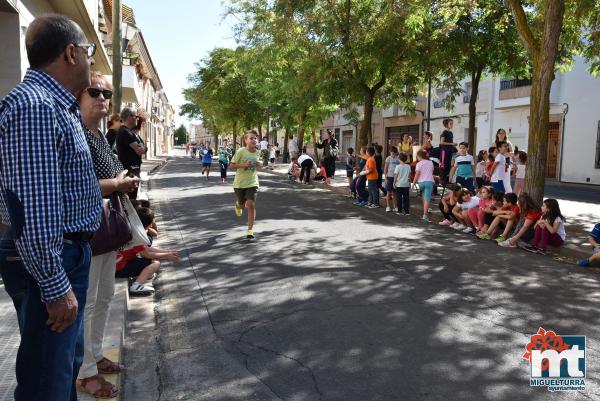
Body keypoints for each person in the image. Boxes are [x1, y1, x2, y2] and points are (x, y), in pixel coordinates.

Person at [0, 14, 103, 401]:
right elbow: (33, 208)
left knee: (61, 371)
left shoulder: (56, 106)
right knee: (47, 383)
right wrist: (55, 286)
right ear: (71, 53)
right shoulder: (37, 108)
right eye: (89, 52)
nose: (92, 61)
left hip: (63, 254)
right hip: (51, 257)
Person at [76, 71, 139, 398]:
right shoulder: (77, 134)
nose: (102, 97)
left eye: (107, 94)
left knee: (104, 297)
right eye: (94, 91)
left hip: (105, 226)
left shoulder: (100, 136)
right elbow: (79, 185)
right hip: (86, 229)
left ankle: (96, 355)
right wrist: (118, 183)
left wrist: (121, 179)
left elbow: (112, 170)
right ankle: (85, 373)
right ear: (79, 95)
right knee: (88, 302)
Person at [115, 207, 179, 294]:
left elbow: (146, 248)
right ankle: (136, 286)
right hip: (118, 269)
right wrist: (166, 256)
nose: (152, 224)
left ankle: (141, 276)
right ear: (148, 224)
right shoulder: (139, 236)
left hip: (116, 265)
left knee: (148, 264)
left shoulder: (134, 229)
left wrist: (167, 252)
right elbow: (147, 254)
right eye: (152, 222)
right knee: (155, 263)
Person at [230, 130, 261, 239]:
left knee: (251, 205)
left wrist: (259, 164)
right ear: (246, 140)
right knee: (242, 205)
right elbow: (232, 166)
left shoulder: (258, 152)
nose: (254, 140)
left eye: (255, 138)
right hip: (239, 184)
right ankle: (238, 205)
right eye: (251, 138)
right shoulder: (241, 151)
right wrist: (244, 165)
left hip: (252, 182)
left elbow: (257, 166)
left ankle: (250, 230)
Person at [117, 107, 147, 199]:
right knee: (130, 199)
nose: (137, 119)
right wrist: (143, 148)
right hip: (129, 171)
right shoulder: (125, 132)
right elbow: (140, 150)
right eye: (135, 116)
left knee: (133, 197)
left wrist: (143, 148)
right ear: (129, 117)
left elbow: (144, 148)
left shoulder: (131, 133)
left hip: (134, 169)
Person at [413, 150, 435, 222]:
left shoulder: (418, 164)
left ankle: (425, 209)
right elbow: (431, 172)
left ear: (419, 156)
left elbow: (417, 174)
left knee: (423, 195)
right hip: (429, 181)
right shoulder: (431, 162)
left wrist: (413, 183)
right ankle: (425, 214)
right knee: (427, 198)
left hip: (421, 182)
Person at [495, 128, 515, 193]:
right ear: (497, 135)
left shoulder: (508, 143)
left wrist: (504, 154)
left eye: (503, 133)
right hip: (496, 165)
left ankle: (509, 197)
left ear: (505, 135)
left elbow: (513, 153)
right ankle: (499, 198)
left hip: (506, 165)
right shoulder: (494, 143)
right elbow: (491, 154)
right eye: (500, 133)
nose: (501, 135)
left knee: (506, 182)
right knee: (497, 181)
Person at [439, 118, 457, 186]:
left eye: (452, 123)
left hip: (449, 151)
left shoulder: (451, 133)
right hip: (444, 151)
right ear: (446, 124)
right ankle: (442, 181)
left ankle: (446, 181)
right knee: (443, 165)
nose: (452, 125)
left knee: (448, 165)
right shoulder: (444, 132)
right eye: (450, 123)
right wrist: (452, 144)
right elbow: (442, 142)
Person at [384, 146, 400, 212]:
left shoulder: (398, 159)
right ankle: (388, 206)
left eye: (394, 154)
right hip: (389, 177)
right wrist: (385, 177)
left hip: (396, 178)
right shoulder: (388, 159)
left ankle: (395, 206)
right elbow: (385, 169)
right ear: (390, 152)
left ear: (396, 153)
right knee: (388, 192)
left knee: (395, 193)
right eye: (392, 153)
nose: (393, 155)